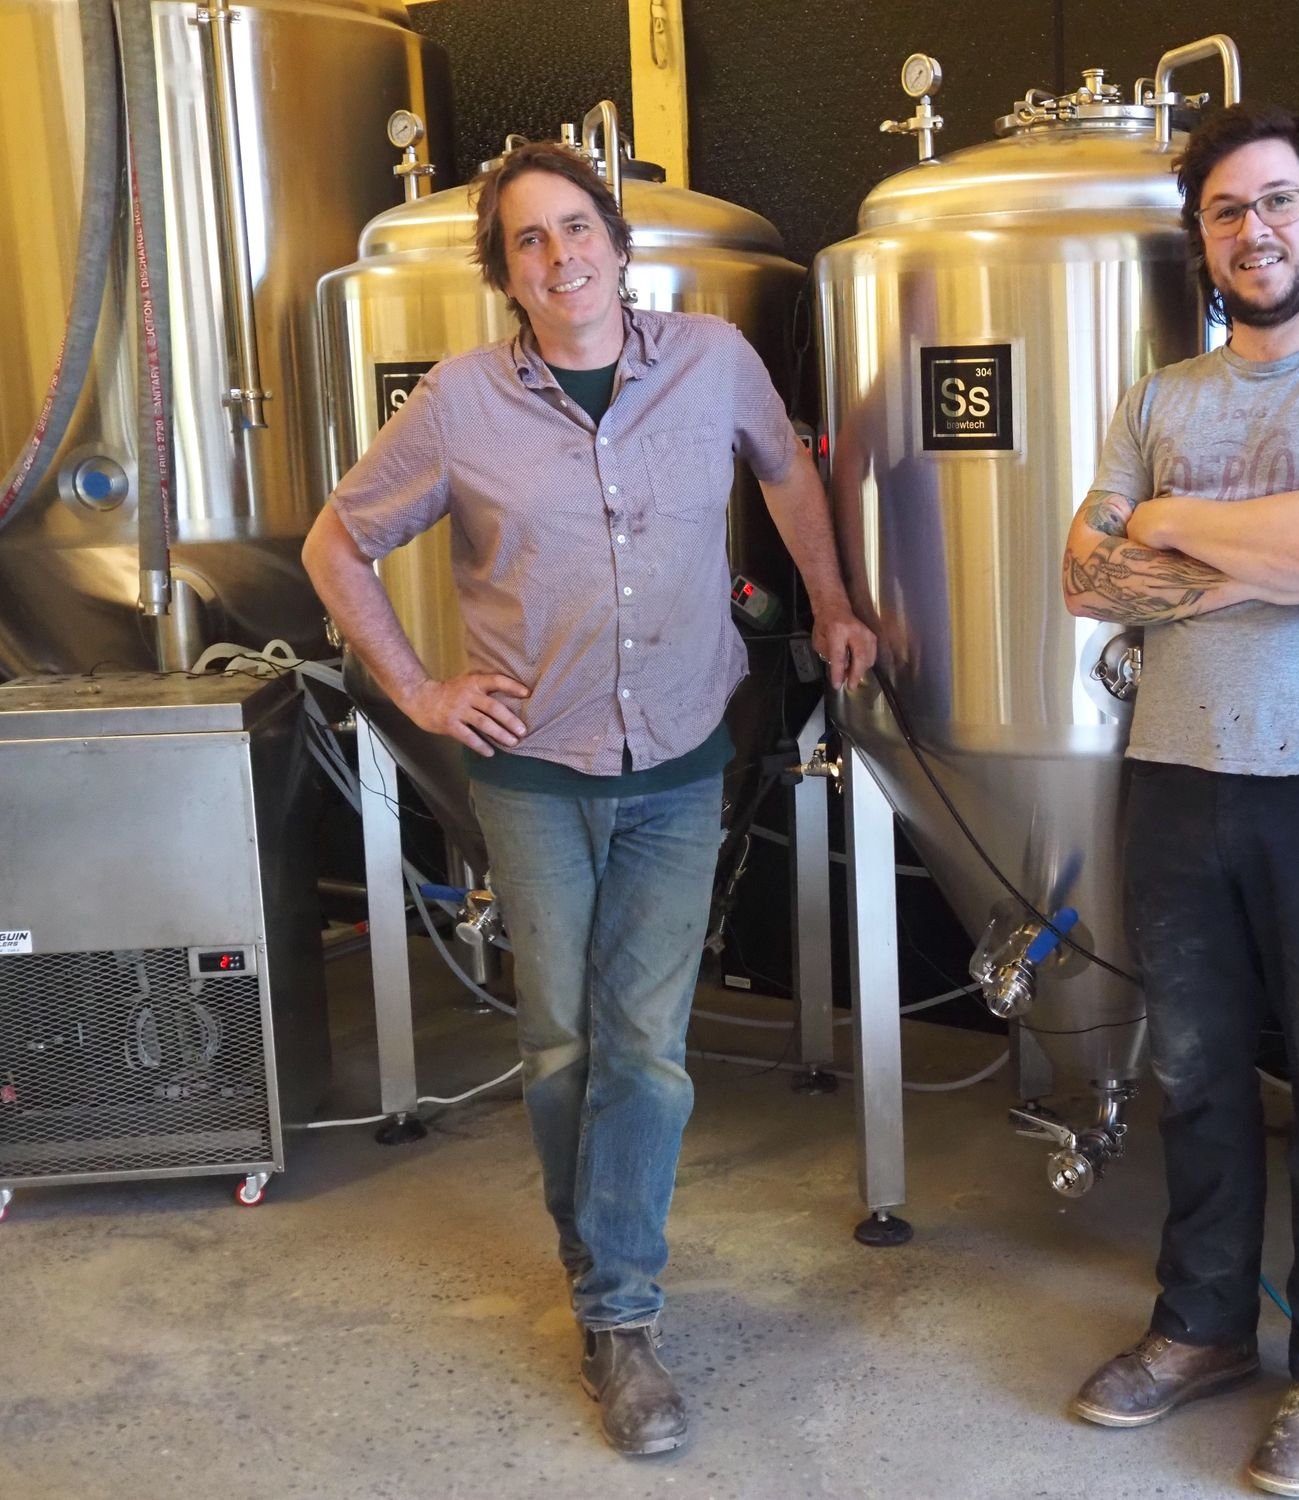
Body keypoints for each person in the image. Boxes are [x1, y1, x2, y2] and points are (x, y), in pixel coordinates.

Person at [302, 140, 875, 1457]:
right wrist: (419, 689)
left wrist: (835, 604)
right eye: (529, 241)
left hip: (680, 755)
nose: (561, 258)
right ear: (504, 272)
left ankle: (621, 1315)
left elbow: (786, 471)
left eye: (577, 229)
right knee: (562, 1043)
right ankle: (597, 1262)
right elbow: (337, 542)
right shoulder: (460, 402)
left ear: (619, 243)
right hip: (533, 766)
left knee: (649, 1050)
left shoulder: (715, 359)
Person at [1059, 103, 1299, 1497]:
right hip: (1174, 775)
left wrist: (1168, 523)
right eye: (1228, 211)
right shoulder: (1157, 399)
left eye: (1279, 202)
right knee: (1196, 1081)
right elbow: (1086, 576)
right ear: (1203, 240)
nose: (1256, 230)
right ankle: (1202, 1329)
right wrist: (1256, 558)